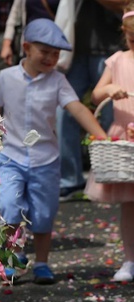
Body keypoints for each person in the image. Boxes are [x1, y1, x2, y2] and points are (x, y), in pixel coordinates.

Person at [0, 19, 107, 284]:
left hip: (45, 159)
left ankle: (41, 263)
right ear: (26, 47)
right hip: (11, 156)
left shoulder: (58, 81)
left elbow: (77, 108)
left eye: (56, 54)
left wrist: (102, 136)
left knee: (43, 214)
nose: (51, 58)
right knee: (9, 206)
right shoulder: (6, 77)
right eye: (45, 52)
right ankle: (12, 258)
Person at [57, 0, 124, 201]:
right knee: (64, 112)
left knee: (112, 116)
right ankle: (70, 181)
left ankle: (114, 177)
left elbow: (124, 4)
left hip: (110, 48)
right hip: (76, 49)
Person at [87, 3, 134, 282]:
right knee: (129, 205)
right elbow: (95, 96)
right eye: (130, 37)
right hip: (124, 140)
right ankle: (130, 258)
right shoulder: (117, 60)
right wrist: (108, 89)